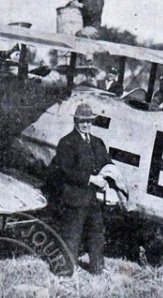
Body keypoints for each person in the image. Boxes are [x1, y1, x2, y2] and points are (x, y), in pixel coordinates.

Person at [46, 103, 113, 275]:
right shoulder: (67, 142)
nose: (86, 125)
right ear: (75, 121)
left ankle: (97, 268)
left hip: (93, 198)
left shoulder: (98, 142)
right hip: (74, 197)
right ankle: (65, 271)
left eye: (89, 121)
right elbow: (66, 170)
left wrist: (109, 179)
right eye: (82, 121)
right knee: (72, 235)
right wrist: (91, 179)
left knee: (97, 234)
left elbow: (107, 163)